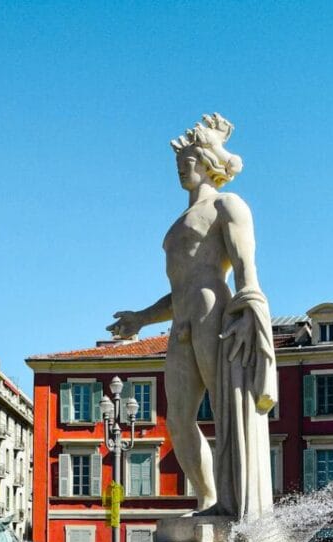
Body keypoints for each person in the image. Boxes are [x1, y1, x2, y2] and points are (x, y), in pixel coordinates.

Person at [108, 114, 277, 519]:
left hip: (212, 311)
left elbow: (245, 271)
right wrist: (140, 318)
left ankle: (231, 505)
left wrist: (245, 315)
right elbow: (179, 287)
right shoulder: (179, 222)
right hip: (181, 319)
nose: (183, 168)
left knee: (225, 409)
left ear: (208, 163)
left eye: (191, 161)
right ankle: (207, 498)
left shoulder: (227, 205)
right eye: (180, 163)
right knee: (178, 421)